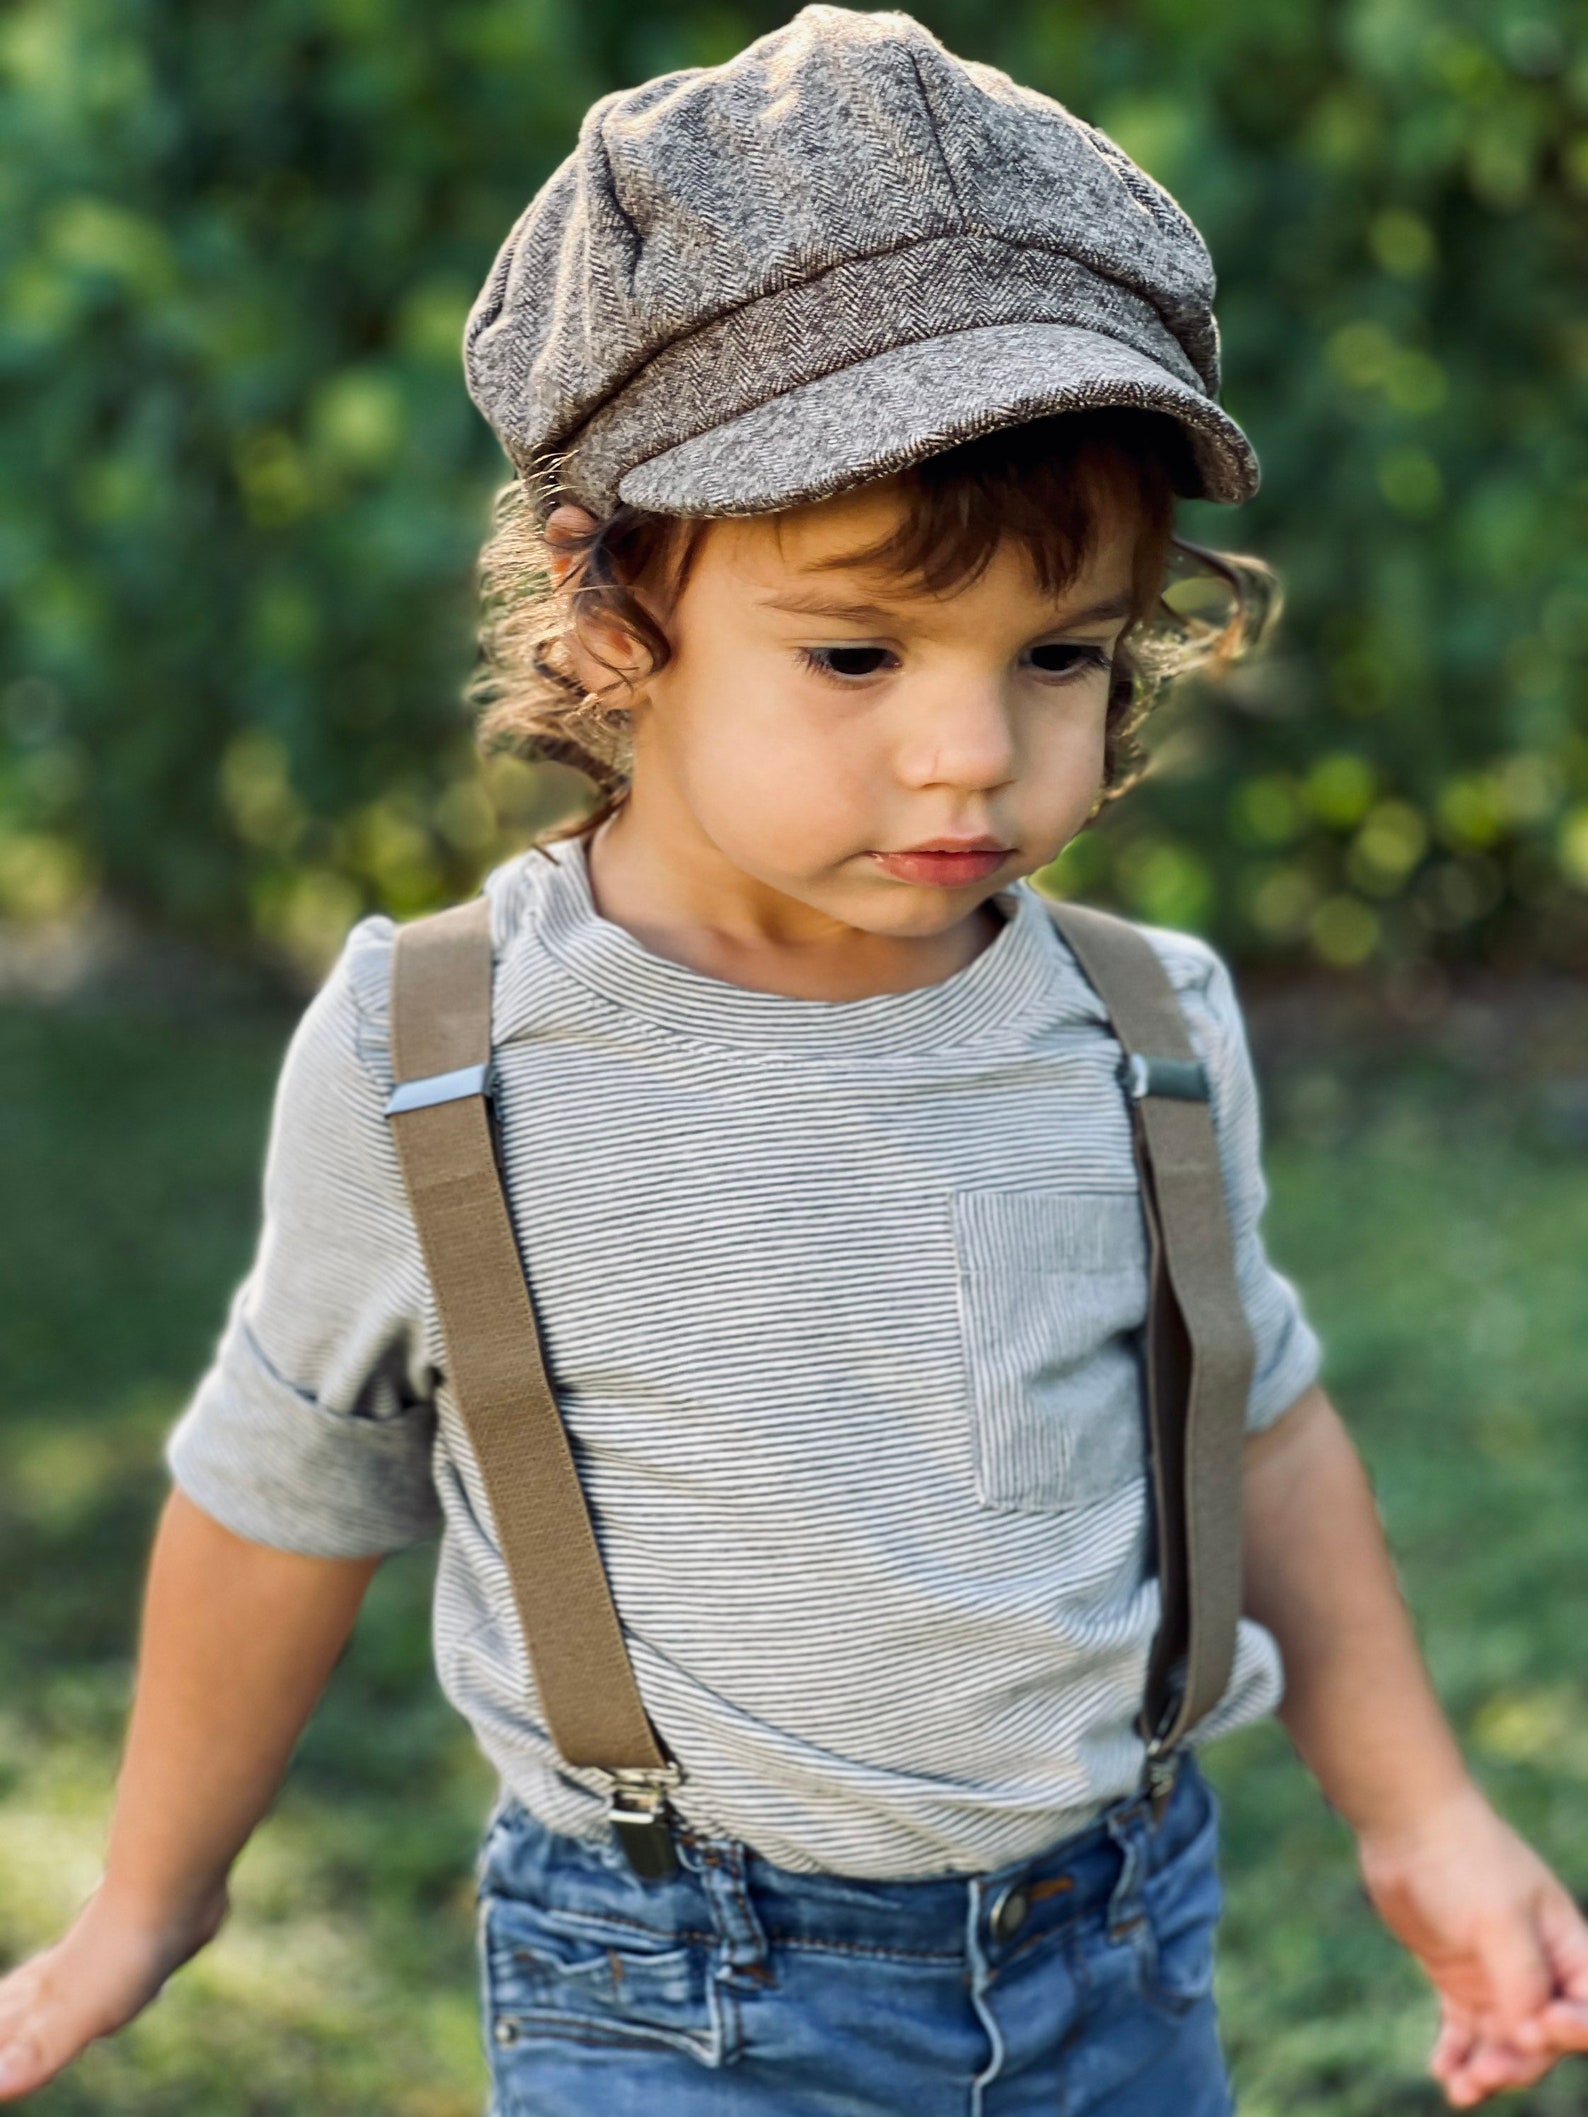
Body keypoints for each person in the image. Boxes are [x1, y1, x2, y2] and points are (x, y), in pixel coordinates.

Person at [1, 9, 1584, 2112]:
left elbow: (1258, 1424)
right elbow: (279, 1496)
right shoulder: (439, 1056)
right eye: (855, 651)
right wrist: (146, 1901)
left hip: (1120, 1950)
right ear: (608, 603)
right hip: (679, 1994)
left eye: (1060, 655)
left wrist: (1421, 1815)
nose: (970, 752)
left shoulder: (1145, 1030)